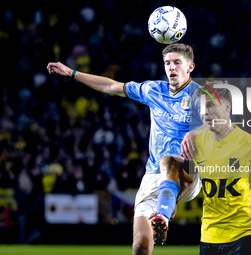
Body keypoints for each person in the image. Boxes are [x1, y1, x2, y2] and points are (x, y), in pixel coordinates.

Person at [47, 43, 204, 255]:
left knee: (170, 161)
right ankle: (162, 214)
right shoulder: (153, 90)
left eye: (177, 63)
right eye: (167, 63)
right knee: (140, 246)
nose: (171, 68)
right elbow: (111, 87)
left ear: (190, 67)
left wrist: (196, 132)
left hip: (188, 171)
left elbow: (220, 123)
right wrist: (72, 73)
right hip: (153, 175)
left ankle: (165, 212)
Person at [160, 82, 251, 255]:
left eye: (211, 105)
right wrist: (175, 199)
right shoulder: (195, 145)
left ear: (227, 107)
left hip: (245, 235)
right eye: (203, 107)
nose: (205, 112)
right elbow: (189, 179)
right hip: (209, 237)